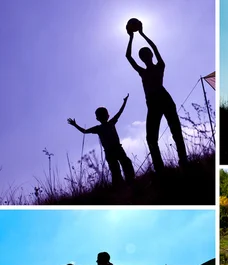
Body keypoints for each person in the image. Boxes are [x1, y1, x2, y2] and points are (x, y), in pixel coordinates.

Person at [126, 25, 187, 171]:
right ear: (143, 58)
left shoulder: (159, 66)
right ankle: (162, 167)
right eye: (143, 55)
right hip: (154, 103)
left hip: (162, 99)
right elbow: (129, 57)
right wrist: (132, 37)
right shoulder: (144, 71)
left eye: (145, 54)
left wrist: (141, 34)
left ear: (150, 55)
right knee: (152, 138)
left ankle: (182, 162)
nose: (145, 56)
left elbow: (153, 47)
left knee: (174, 132)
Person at [67, 95, 135, 186]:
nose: (102, 117)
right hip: (112, 151)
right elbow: (85, 131)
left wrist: (124, 102)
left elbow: (84, 131)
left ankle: (128, 182)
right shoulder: (103, 126)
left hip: (115, 149)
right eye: (101, 115)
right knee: (118, 169)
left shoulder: (105, 125)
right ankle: (125, 184)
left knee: (123, 165)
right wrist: (75, 125)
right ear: (105, 116)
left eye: (102, 115)